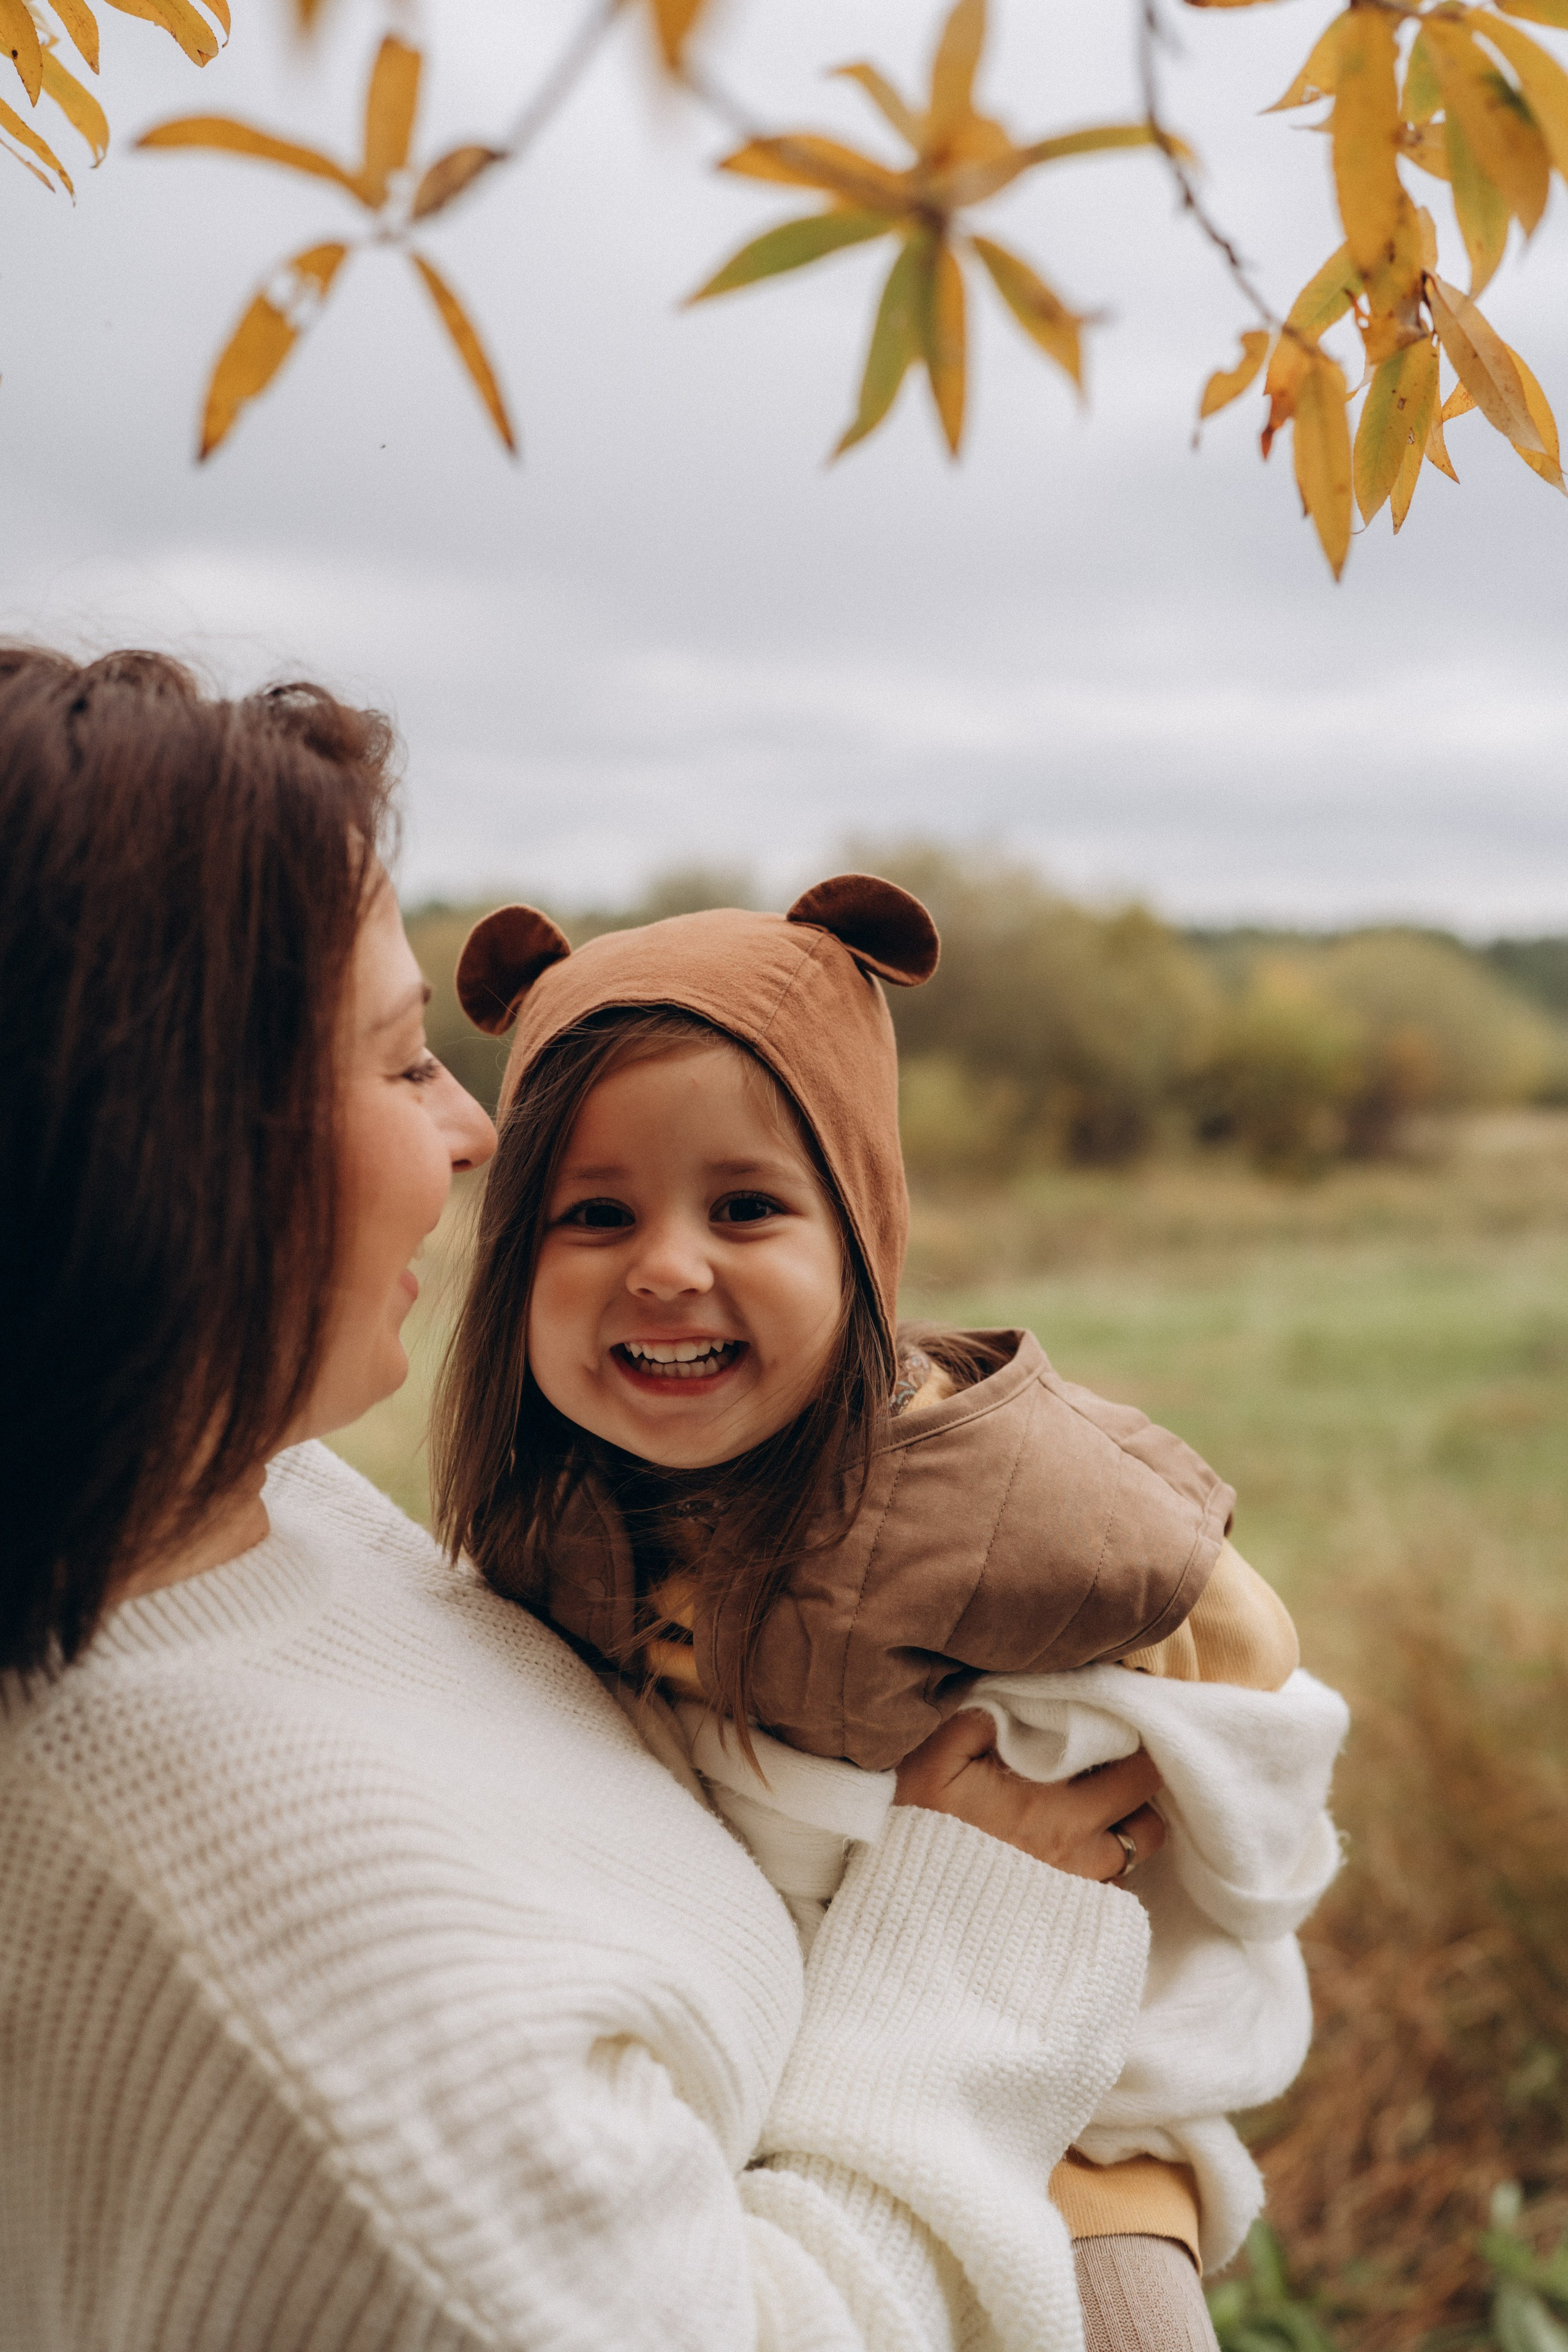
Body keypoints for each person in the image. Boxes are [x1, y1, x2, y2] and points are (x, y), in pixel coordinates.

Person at [1, 646, 1168, 2352]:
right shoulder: (284, 2015)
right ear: (179, 1149)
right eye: (405, 1065)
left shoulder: (230, 1497)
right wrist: (973, 1957)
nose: (477, 1135)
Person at [434, 880, 1343, 2352]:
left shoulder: (999, 1498)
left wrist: (1132, 1766)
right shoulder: (542, 1518)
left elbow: (1238, 1665)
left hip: (1061, 2107)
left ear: (859, 1231)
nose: (665, 1266)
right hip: (748, 2097)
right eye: (594, 1215)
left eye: (745, 1207)